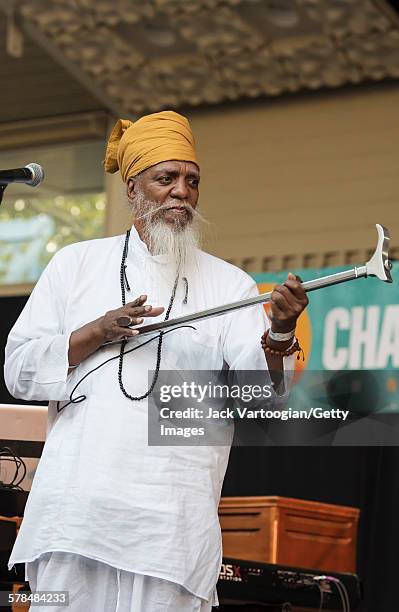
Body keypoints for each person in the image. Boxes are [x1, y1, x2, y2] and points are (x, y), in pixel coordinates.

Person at [4, 111, 308, 611]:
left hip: (172, 531)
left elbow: (263, 402)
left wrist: (278, 333)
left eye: (192, 181)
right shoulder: (76, 263)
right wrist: (95, 333)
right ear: (133, 189)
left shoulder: (230, 284)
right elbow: (19, 371)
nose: (181, 192)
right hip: (74, 519)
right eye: (165, 178)